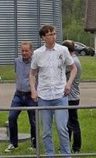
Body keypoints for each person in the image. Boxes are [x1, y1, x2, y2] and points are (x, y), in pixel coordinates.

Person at [29, 25, 77, 156]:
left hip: (60, 95)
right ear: (43, 37)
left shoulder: (63, 50)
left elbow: (73, 68)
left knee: (62, 129)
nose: (53, 37)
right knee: (46, 131)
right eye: (50, 34)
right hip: (44, 97)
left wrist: (69, 83)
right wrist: (33, 90)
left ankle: (66, 154)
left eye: (54, 34)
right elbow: (32, 73)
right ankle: (50, 154)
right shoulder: (37, 53)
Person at [5, 41, 37, 152]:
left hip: (30, 95)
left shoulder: (35, 62)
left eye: (26, 51)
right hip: (18, 94)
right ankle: (13, 143)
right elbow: (17, 75)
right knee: (11, 117)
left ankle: (34, 144)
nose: (24, 53)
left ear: (31, 51)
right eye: (22, 51)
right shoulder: (17, 61)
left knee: (33, 120)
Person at [62, 40, 83, 153]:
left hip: (72, 97)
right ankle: (67, 145)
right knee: (67, 123)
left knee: (73, 123)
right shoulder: (72, 60)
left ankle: (76, 147)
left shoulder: (73, 62)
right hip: (70, 96)